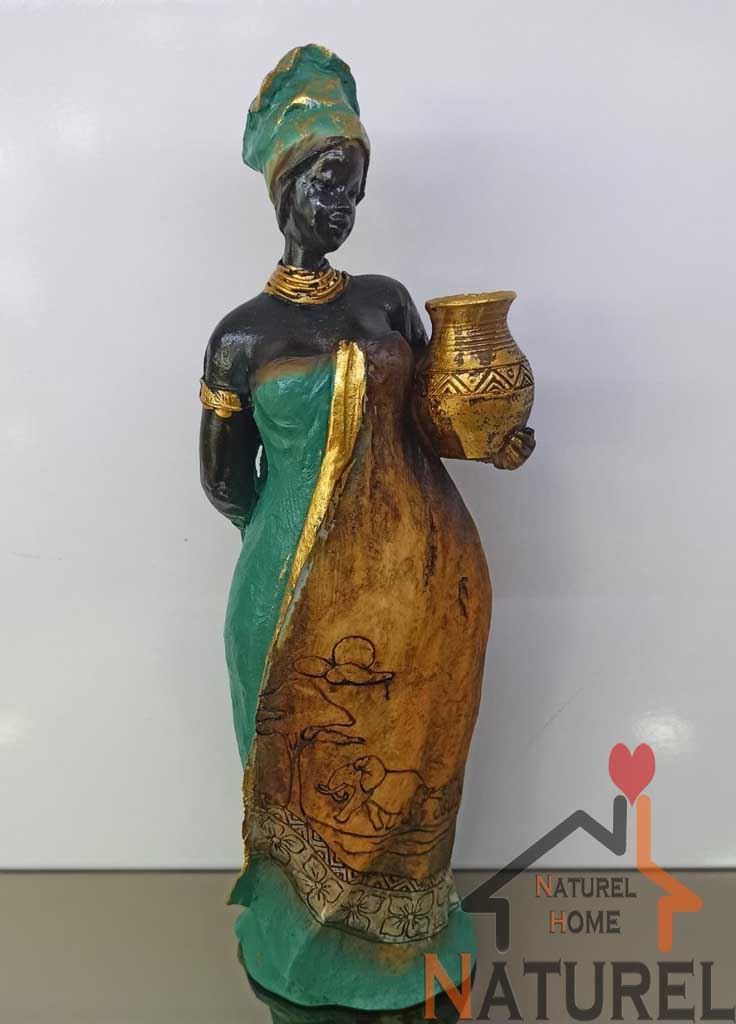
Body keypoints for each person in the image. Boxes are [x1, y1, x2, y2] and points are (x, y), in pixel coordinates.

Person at [199, 43, 532, 1011]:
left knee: (405, 775)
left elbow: (435, 419)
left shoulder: (386, 302)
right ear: (286, 186)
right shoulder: (241, 336)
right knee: (303, 770)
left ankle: (399, 943)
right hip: (289, 592)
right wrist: (302, 545)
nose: (341, 204)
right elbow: (224, 483)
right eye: (326, 181)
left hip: (421, 594)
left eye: (353, 185)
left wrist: (496, 435)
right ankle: (300, 946)